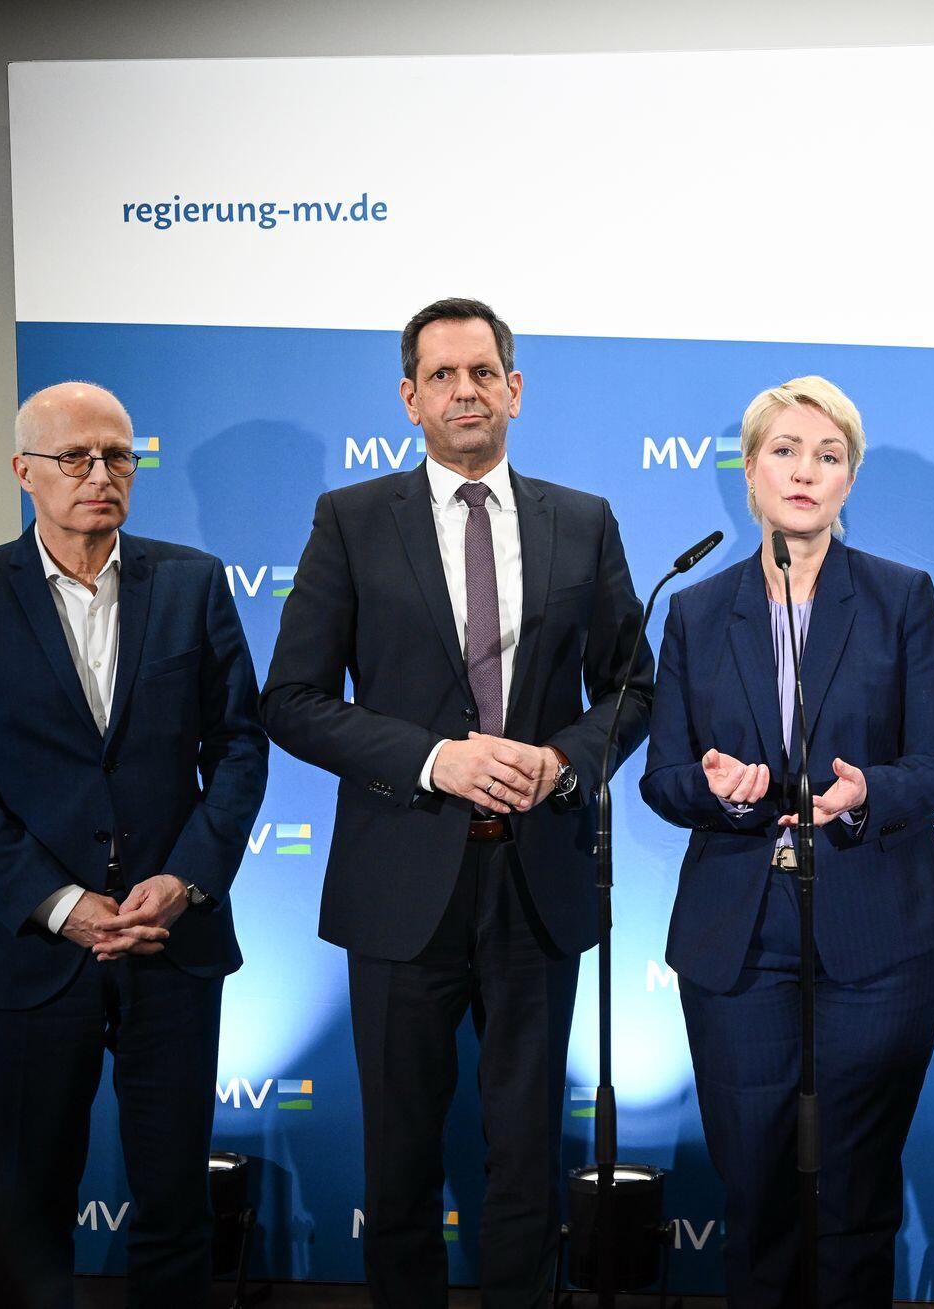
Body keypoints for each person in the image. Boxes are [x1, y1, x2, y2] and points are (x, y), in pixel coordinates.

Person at [260, 298, 651, 1309]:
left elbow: (631, 689)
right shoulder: (351, 520)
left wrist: (562, 761)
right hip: (399, 880)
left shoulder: (583, 520)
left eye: (482, 372)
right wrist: (435, 759)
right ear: (409, 398)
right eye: (441, 375)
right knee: (399, 1159)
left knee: (526, 1156)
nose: (464, 391)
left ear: (515, 389)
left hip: (536, 879)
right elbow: (292, 700)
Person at [0, 381, 268, 1309]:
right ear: (24, 471)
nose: (100, 473)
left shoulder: (192, 582)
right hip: (31, 952)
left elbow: (239, 747)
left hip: (170, 944)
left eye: (118, 456)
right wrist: (59, 903)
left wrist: (185, 878)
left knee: (176, 1206)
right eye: (75, 456)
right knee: (28, 1209)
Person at [640, 375, 934, 1307]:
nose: (805, 471)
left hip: (879, 931)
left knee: (857, 1198)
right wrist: (719, 790)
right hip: (741, 939)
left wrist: (867, 794)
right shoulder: (696, 610)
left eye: (828, 456)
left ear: (849, 479)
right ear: (749, 471)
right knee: (758, 1194)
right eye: (784, 451)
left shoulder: (901, 597)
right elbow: (664, 777)